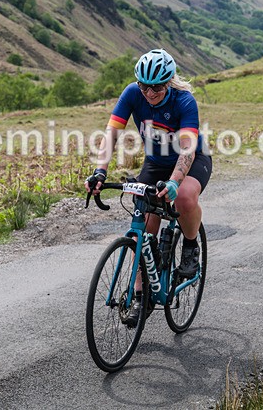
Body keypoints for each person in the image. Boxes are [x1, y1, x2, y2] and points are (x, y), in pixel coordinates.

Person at [85, 48, 212, 326]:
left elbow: (188, 150)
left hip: (191, 160)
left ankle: (190, 248)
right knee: (143, 227)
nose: (149, 93)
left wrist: (175, 182)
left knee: (185, 198)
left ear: (168, 82)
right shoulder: (133, 93)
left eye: (156, 87)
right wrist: (99, 171)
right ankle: (141, 295)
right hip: (156, 163)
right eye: (144, 86)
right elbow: (112, 133)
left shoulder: (184, 101)